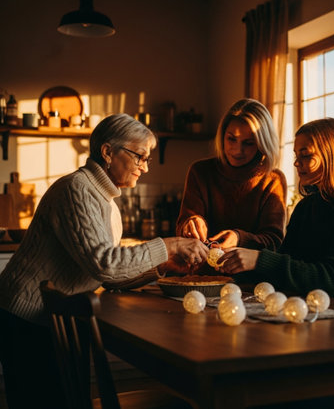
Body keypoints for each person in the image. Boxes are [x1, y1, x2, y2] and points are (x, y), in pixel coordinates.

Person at [0, 113, 209, 409]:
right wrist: (170, 244)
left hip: (54, 315)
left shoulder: (106, 200)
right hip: (26, 316)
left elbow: (107, 276)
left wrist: (161, 267)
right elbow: (104, 263)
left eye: (147, 159)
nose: (145, 167)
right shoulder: (77, 189)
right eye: (139, 156)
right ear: (108, 152)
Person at [220, 117, 334, 303]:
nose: (296, 163)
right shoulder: (305, 207)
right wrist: (231, 268)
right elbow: (285, 268)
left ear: (331, 157)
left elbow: (333, 280)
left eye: (306, 155)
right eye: (296, 155)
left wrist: (260, 260)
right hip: (313, 310)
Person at [176, 98, 287, 252]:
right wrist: (191, 223)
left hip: (251, 275)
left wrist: (239, 238)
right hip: (203, 271)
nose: (237, 150)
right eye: (231, 139)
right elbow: (183, 229)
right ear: (222, 137)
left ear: (262, 144)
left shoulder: (273, 180)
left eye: (248, 143)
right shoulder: (200, 171)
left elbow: (274, 241)